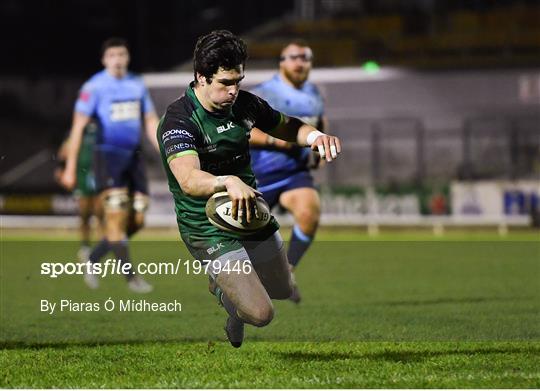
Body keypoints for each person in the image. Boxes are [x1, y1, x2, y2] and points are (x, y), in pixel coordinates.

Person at [157, 30, 341, 348]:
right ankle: (221, 286)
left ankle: (232, 298)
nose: (234, 90)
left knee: (283, 288)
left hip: (252, 215)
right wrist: (227, 180)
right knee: (261, 313)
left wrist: (315, 138)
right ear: (201, 77)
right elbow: (188, 178)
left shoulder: (245, 105)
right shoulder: (179, 120)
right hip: (207, 226)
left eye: (238, 81)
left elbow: (288, 126)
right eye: (225, 83)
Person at [61, 37, 159, 293]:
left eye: (122, 54)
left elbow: (150, 121)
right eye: (112, 55)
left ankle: (93, 258)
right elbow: (78, 126)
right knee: (115, 216)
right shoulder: (94, 87)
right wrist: (71, 167)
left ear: (127, 58)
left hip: (133, 157)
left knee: (137, 219)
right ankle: (132, 278)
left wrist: (169, 151)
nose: (117, 59)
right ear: (105, 60)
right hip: (107, 157)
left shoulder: (136, 84)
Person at [249, 40, 327, 303]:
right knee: (244, 243)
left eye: (305, 58)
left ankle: (287, 274)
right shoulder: (265, 93)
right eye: (294, 57)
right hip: (258, 175)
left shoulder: (315, 93)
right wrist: (274, 140)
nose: (300, 63)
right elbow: (242, 130)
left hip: (294, 172)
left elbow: (320, 122)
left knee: (309, 211)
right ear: (282, 62)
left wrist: (320, 149)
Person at [56, 122, 103, 261]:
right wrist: (62, 168)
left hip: (100, 174)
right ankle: (85, 246)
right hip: (82, 175)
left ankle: (102, 247)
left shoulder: (102, 126)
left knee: (100, 212)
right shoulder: (78, 129)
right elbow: (63, 152)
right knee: (84, 214)